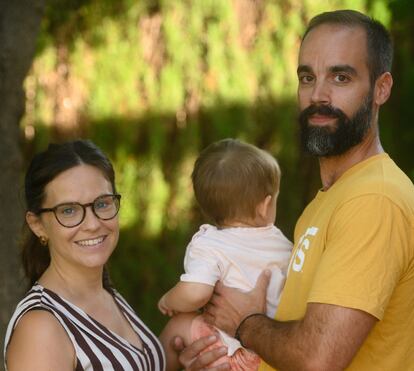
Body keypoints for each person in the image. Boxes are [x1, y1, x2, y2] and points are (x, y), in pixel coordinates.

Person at [177, 9, 414, 371]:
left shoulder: (374, 199)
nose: (318, 94)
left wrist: (243, 323)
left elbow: (318, 359)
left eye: (340, 77)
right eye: (307, 77)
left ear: (381, 88)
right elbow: (292, 340)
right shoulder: (329, 201)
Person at [3, 140, 165, 370]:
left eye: (102, 203)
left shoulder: (104, 292)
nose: (92, 224)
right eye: (68, 210)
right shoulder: (41, 329)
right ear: (37, 225)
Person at [157, 139, 292, 370]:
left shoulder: (210, 243)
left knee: (179, 326)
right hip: (274, 353)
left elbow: (196, 292)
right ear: (264, 205)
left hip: (228, 354)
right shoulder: (283, 244)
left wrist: (168, 299)